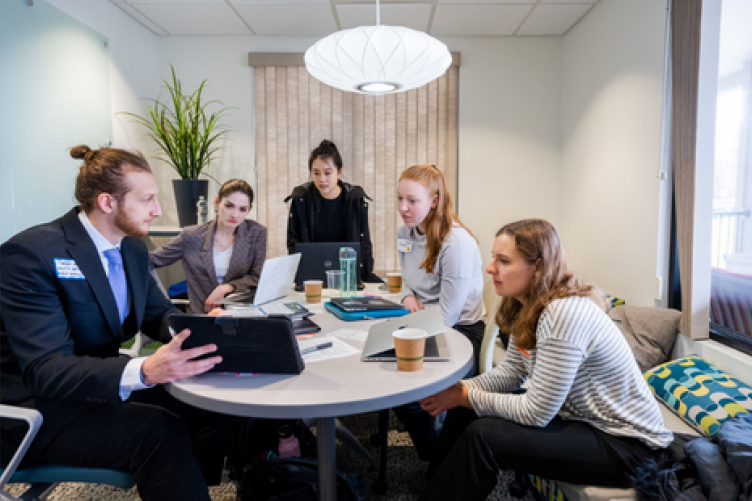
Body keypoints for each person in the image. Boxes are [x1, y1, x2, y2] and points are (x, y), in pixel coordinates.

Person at [0, 145, 236, 501]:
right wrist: (144, 371)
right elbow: (45, 370)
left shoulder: (131, 248)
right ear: (108, 203)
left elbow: (158, 315)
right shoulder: (31, 256)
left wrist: (204, 329)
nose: (157, 211)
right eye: (148, 200)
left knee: (213, 397)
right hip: (37, 409)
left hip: (95, 387)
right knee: (158, 432)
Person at [417, 219, 673, 501]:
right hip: (582, 420)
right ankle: (435, 487)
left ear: (537, 266)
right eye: (493, 258)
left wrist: (464, 395)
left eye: (503, 261)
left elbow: (537, 412)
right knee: (466, 410)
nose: (490, 268)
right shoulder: (523, 302)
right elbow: (513, 372)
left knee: (483, 435)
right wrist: (460, 391)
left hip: (625, 444)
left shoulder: (563, 313)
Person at [393, 164, 486, 461]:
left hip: (460, 332)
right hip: (420, 321)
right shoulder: (405, 233)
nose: (403, 208)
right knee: (389, 375)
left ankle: (436, 455)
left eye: (412, 200)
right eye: (399, 198)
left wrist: (408, 326)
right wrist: (407, 295)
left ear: (434, 201)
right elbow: (406, 277)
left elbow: (447, 317)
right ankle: (432, 447)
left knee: (404, 386)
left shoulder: (455, 243)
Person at [150, 178, 267, 314]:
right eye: (229, 206)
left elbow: (257, 276)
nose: (235, 214)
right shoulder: (192, 236)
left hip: (238, 315)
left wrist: (226, 287)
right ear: (217, 203)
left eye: (242, 209)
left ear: (249, 210)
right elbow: (153, 260)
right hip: (201, 315)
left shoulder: (256, 233)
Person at [285, 139, 379, 283]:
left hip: (349, 276)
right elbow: (293, 244)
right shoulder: (301, 200)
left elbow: (364, 243)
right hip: (311, 278)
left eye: (327, 173)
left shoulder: (354, 200)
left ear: (339, 172)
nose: (322, 179)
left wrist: (363, 274)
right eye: (316, 173)